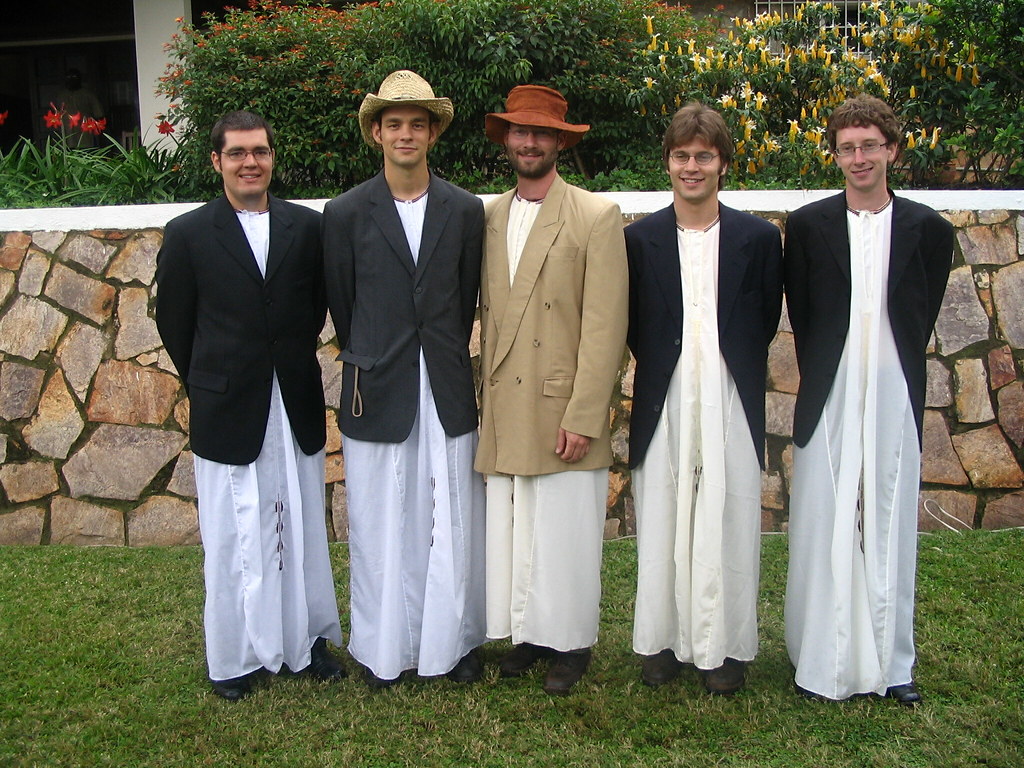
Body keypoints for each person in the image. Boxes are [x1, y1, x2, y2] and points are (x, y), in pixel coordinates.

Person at [155, 110, 344, 701]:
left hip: (293, 399)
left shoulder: (305, 228)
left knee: (300, 526)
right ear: (216, 162)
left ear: (271, 157)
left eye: (259, 151)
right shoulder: (187, 234)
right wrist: (217, 376)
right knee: (236, 534)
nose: (249, 162)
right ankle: (235, 659)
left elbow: (314, 308)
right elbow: (175, 323)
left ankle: (305, 642)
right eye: (236, 153)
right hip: (228, 405)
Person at [783, 94, 953, 704]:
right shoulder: (806, 227)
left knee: (887, 517)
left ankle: (892, 663)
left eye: (870, 146)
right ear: (835, 154)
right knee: (823, 517)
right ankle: (817, 656)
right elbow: (803, 314)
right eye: (847, 147)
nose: (859, 157)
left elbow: (919, 311)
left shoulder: (929, 229)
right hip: (829, 387)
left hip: (893, 389)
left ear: (892, 150)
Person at [321, 70, 486, 688]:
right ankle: (382, 650)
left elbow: (466, 295)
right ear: (376, 132)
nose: (406, 134)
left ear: (434, 132)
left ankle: (453, 644)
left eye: (418, 123)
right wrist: (380, 347)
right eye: (395, 123)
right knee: (380, 518)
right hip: (378, 384)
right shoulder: (345, 214)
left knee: (450, 514)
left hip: (443, 382)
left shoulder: (466, 211)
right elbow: (344, 301)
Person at [625, 103, 783, 695]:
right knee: (664, 515)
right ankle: (664, 641)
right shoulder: (638, 239)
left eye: (704, 156)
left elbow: (763, 319)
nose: (692, 167)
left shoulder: (759, 238)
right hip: (664, 392)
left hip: (729, 390)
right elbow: (635, 324)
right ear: (668, 162)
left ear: (723, 163)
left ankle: (724, 648)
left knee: (729, 514)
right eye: (682, 156)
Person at [476, 85, 628, 695]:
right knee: (518, 528)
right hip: (508, 401)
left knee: (564, 531)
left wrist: (586, 412)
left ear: (561, 141)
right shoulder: (487, 216)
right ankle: (531, 635)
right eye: (520, 131)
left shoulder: (595, 215)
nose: (530, 141)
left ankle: (572, 645)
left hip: (563, 401)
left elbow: (606, 324)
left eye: (542, 132)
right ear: (507, 140)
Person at [55, 69, 104, 148]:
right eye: (69, 77)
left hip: (85, 134)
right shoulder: (61, 96)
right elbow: (56, 116)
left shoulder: (88, 94)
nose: (71, 80)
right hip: (67, 135)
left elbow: (99, 115)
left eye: (74, 77)